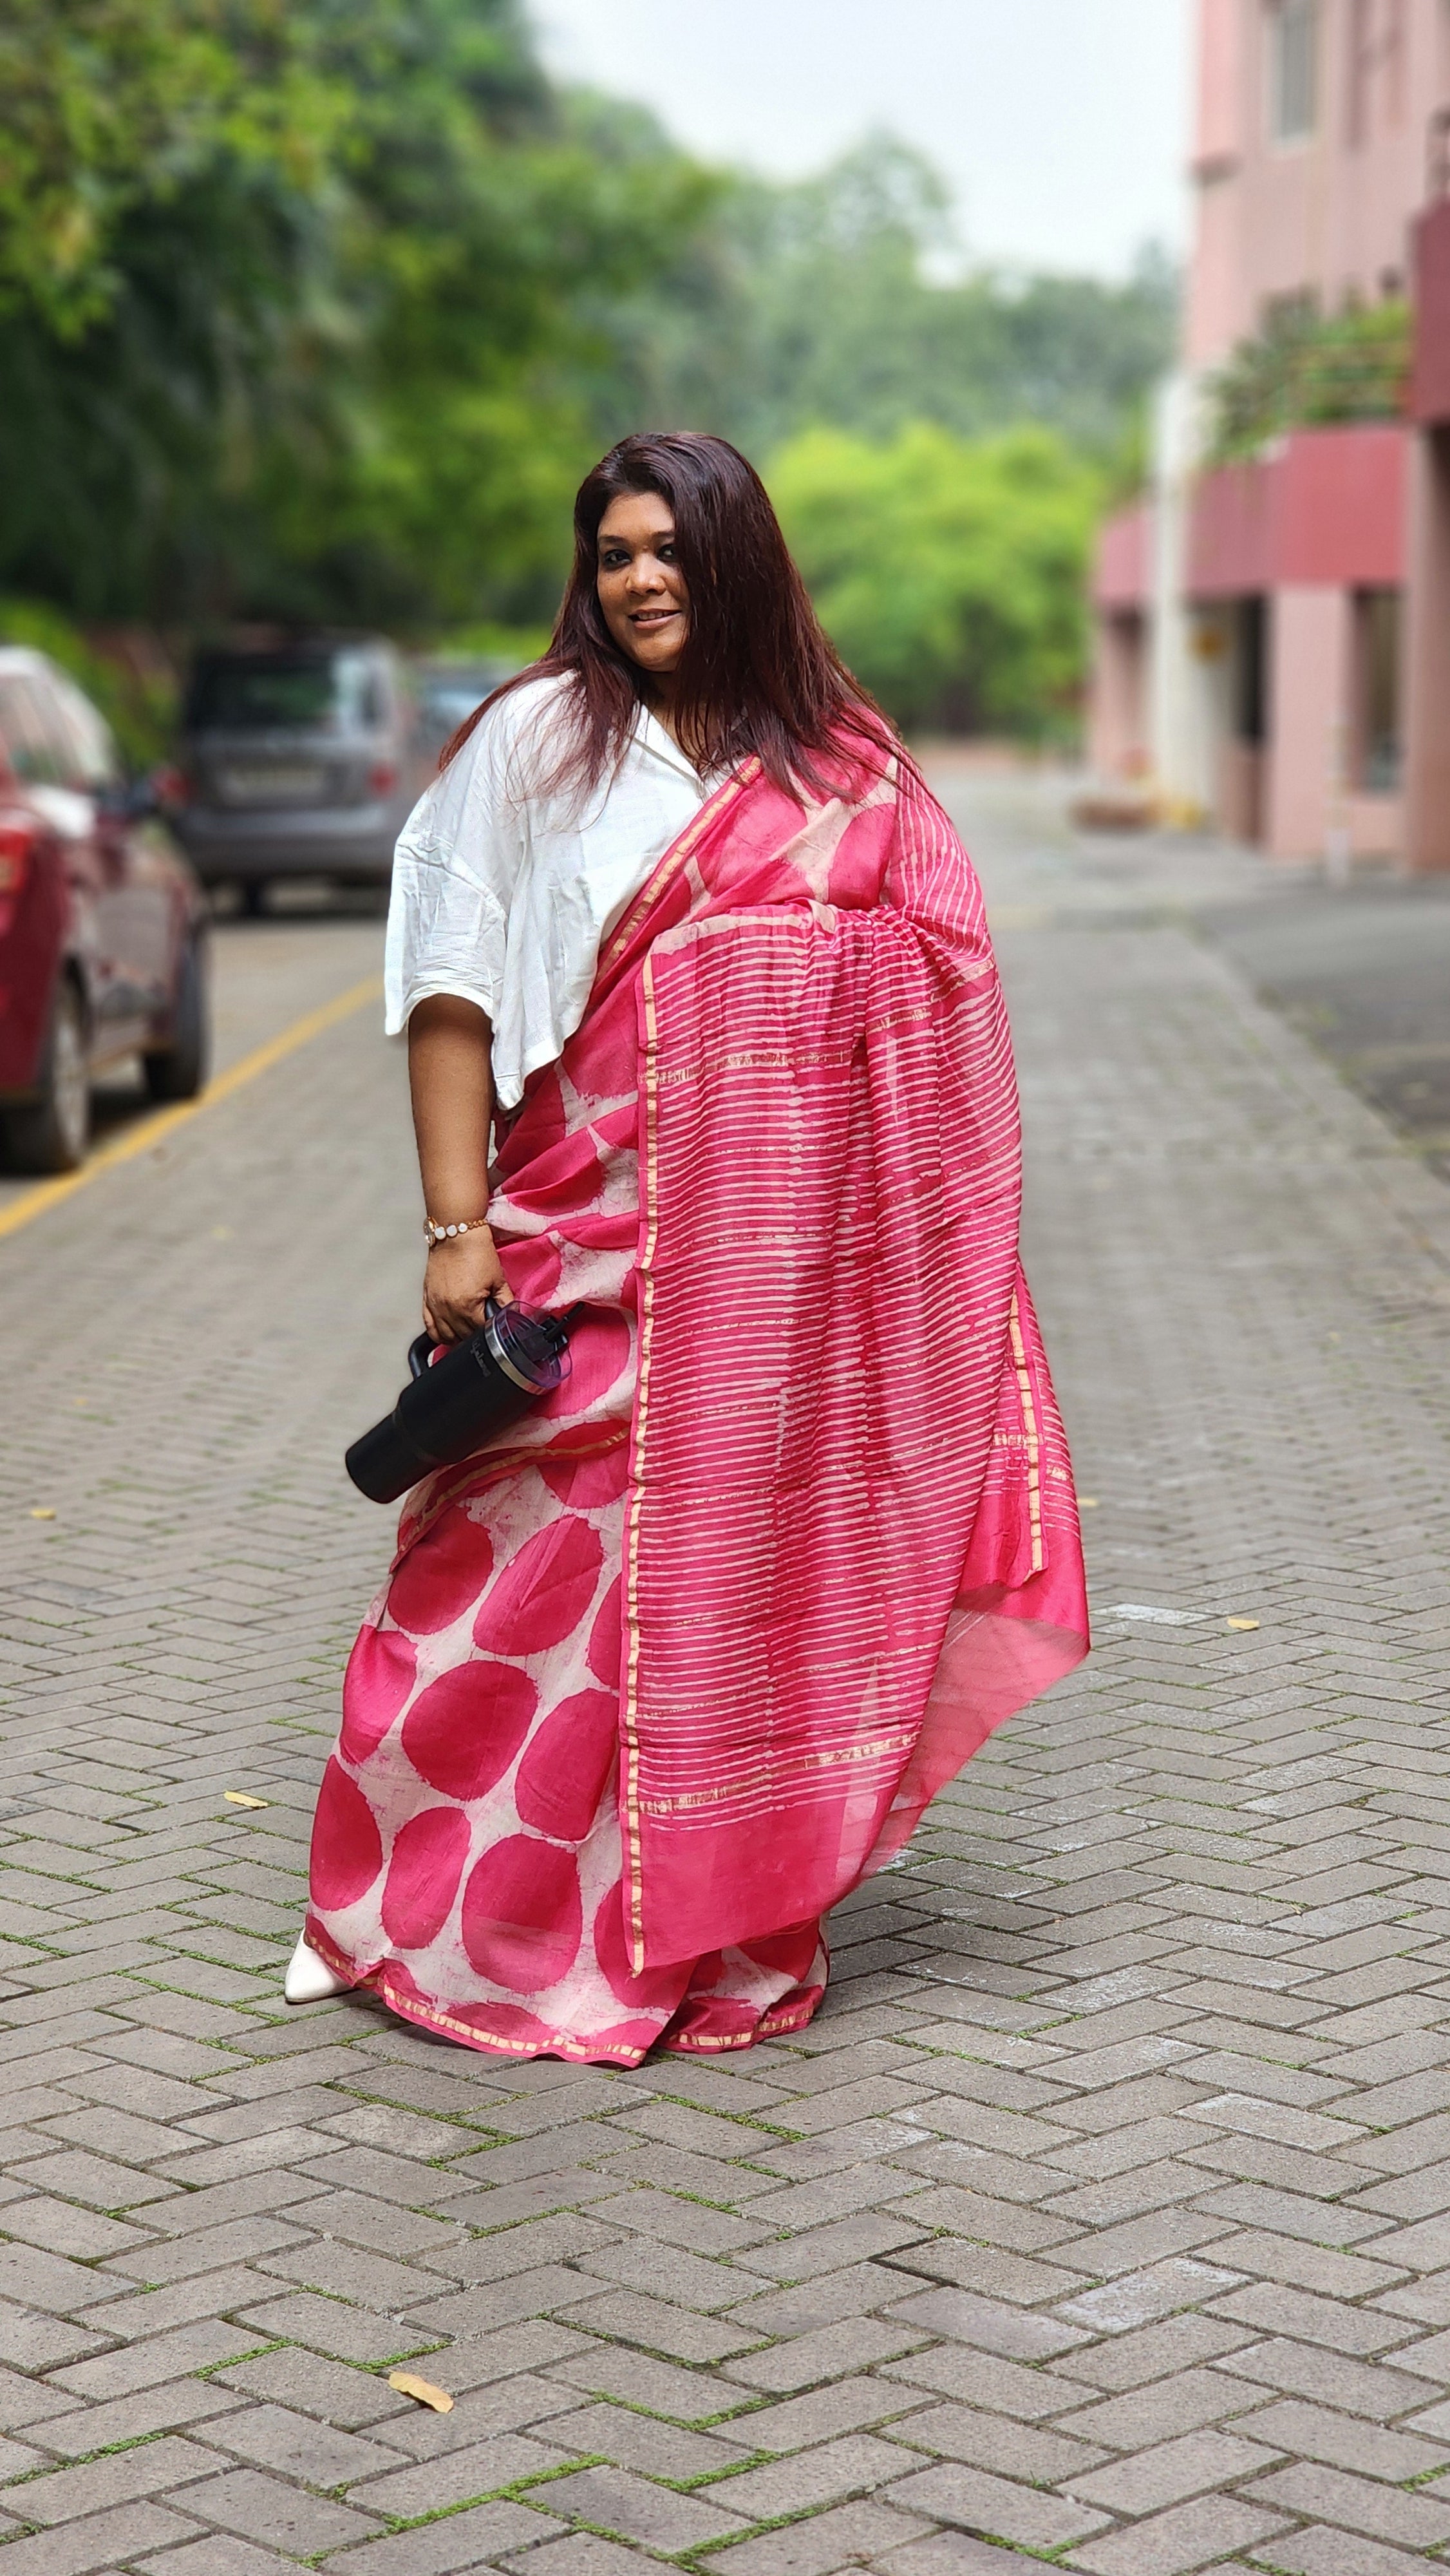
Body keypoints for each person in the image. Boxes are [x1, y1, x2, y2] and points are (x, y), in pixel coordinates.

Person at [287, 431, 1088, 2063]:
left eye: (670, 548)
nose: (641, 579)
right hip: (576, 1222)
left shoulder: (841, 761)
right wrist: (455, 1226)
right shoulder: (533, 740)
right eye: (614, 554)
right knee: (490, 1561)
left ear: (740, 561)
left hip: (772, 1277)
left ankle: (703, 1922)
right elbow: (448, 988)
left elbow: (945, 975)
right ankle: (383, 1905)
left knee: (735, 1584)